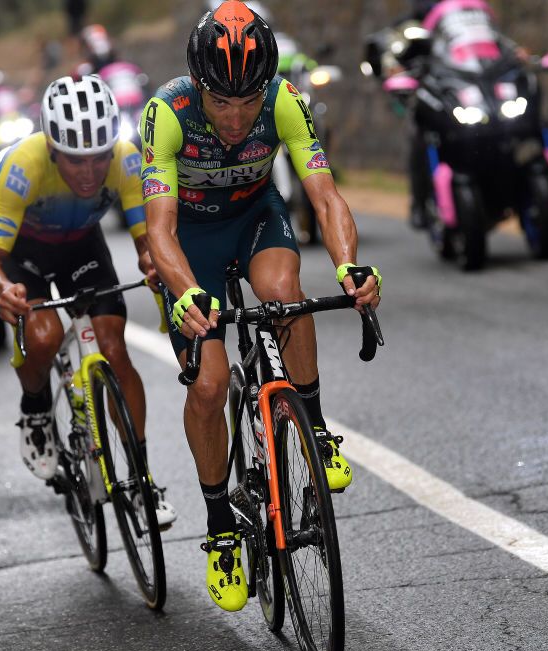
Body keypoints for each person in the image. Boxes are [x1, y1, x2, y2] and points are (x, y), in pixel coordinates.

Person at [139, 1, 381, 611]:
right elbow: (160, 232)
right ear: (199, 86)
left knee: (284, 297)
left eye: (248, 101)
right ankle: (221, 526)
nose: (236, 116)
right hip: (189, 240)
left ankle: (316, 431)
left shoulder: (285, 101)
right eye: (222, 102)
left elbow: (324, 198)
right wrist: (187, 292)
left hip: (254, 218)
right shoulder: (164, 114)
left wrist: (350, 266)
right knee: (210, 384)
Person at [0, 75, 177, 528]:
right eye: (75, 161)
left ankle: (142, 481)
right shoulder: (24, 166)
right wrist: (1, 290)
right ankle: (35, 409)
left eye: (98, 158)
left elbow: (148, 241)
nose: (89, 172)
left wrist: (153, 265)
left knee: (114, 347)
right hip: (24, 257)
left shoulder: (126, 160)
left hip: (83, 249)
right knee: (43, 336)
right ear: (52, 150)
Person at [385, 0, 528, 229]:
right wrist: (396, 68)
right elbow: (394, 49)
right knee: (419, 133)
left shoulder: (473, 11)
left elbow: (493, 37)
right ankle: (420, 202)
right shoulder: (414, 23)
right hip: (441, 89)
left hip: (479, 83)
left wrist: (514, 52)